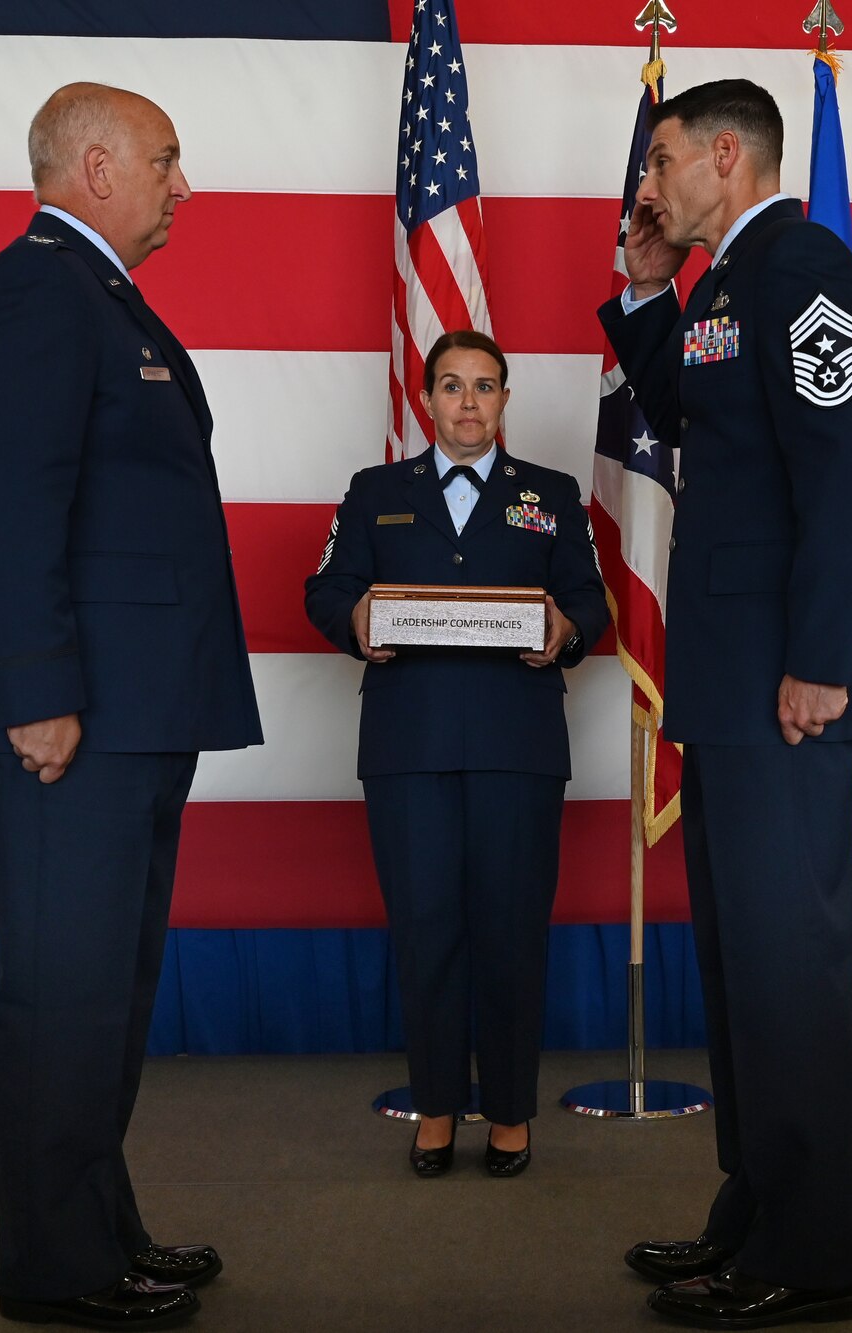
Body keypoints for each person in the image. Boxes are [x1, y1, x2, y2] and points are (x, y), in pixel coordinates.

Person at [0, 82, 263, 1330]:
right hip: (74, 713)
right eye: (169, 161)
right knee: (65, 987)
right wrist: (34, 693)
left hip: (130, 707)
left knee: (109, 987)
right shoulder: (34, 290)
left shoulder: (93, 296)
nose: (185, 185)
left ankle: (99, 1226)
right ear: (96, 165)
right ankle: (61, 1265)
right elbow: (11, 506)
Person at [597, 79, 852, 1328]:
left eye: (661, 162)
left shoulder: (804, 267)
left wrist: (822, 655)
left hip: (788, 682)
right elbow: (681, 417)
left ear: (728, 154)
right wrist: (643, 285)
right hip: (726, 685)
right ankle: (753, 1208)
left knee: (791, 971)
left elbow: (850, 473)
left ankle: (810, 1251)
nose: (646, 183)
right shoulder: (723, 279)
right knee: (738, 968)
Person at [304, 330, 608, 1179]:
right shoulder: (375, 494)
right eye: (451, 386)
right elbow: (324, 589)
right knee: (426, 932)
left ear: (505, 400)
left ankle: (510, 1114)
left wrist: (567, 627)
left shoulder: (551, 495)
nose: (468, 402)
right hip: (409, 750)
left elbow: (590, 598)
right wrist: (357, 619)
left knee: (511, 937)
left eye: (484, 387)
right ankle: (435, 1108)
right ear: (426, 399)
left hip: (518, 749)